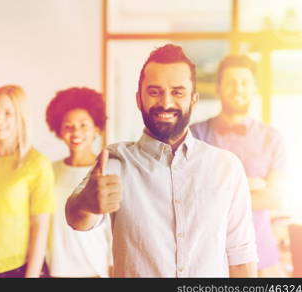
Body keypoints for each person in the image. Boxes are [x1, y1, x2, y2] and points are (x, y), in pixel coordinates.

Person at [66, 44, 258, 277]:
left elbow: (240, 258)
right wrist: (86, 202)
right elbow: (76, 218)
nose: (166, 103)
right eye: (155, 92)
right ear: (139, 99)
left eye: (177, 92)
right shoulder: (116, 161)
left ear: (193, 99)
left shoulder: (226, 167)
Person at [191, 55, 287, 277]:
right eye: (231, 82)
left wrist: (220, 193)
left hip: (263, 254)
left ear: (254, 88)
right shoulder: (195, 135)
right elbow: (193, 198)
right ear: (218, 87)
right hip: (209, 255)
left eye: (245, 83)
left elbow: (274, 198)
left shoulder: (272, 138)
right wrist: (252, 187)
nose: (238, 89)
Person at [0, 85, 54, 278]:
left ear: (21, 117)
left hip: (22, 269)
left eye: (8, 113)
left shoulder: (37, 163)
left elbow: (40, 227)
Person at [45, 87, 112, 277]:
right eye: (68, 126)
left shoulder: (107, 169)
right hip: (57, 272)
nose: (76, 132)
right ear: (59, 131)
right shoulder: (49, 170)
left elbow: (115, 230)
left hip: (95, 272)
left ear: (96, 129)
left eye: (83, 125)